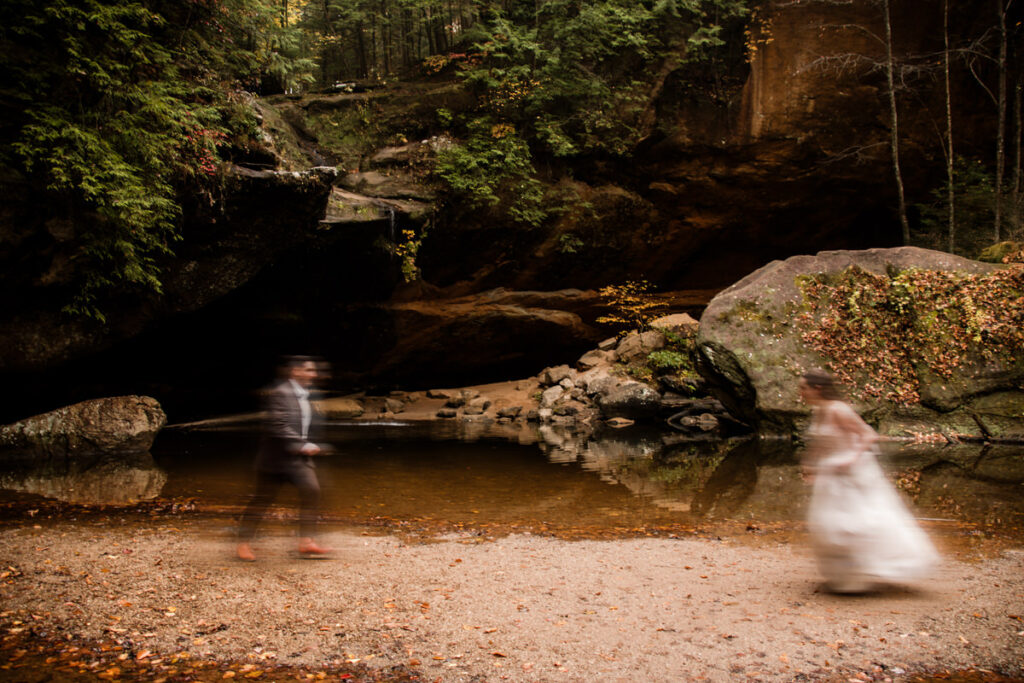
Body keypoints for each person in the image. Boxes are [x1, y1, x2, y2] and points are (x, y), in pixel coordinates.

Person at [798, 370, 938, 593]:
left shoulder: (839, 409)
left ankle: (872, 569)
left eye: (803, 388)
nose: (800, 392)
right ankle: (846, 577)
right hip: (831, 473)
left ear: (818, 388)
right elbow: (820, 442)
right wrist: (810, 463)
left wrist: (851, 458)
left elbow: (868, 434)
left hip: (851, 472)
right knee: (829, 524)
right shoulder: (820, 411)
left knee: (858, 523)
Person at [237, 356, 331, 561]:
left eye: (313, 370)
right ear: (295, 372)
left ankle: (306, 542)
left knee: (312, 491)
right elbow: (277, 425)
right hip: (275, 460)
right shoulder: (281, 393)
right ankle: (243, 543)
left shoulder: (305, 395)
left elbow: (305, 424)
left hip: (298, 460)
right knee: (262, 501)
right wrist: (303, 444)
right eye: (308, 370)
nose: (313, 374)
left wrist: (311, 443)